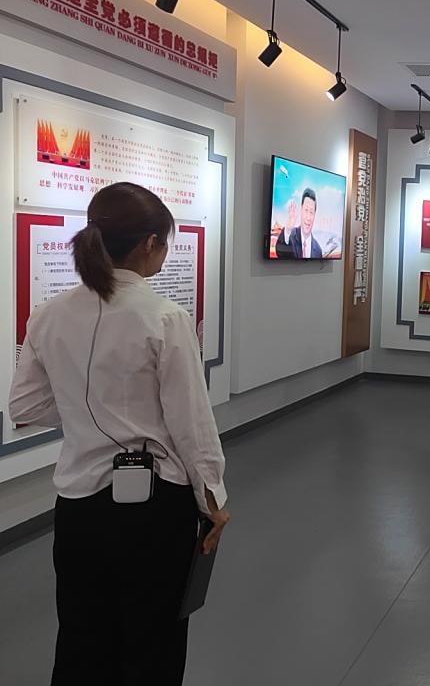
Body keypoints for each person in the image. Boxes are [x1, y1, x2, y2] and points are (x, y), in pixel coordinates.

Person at [8, 182, 229, 686]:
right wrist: (213, 500)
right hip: (155, 510)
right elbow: (191, 425)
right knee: (152, 645)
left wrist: (85, 410)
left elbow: (24, 405)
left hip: (77, 508)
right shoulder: (165, 318)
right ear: (150, 244)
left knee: (81, 639)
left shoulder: (47, 314)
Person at [276, 187, 323, 259]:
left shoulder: (318, 250)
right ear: (301, 209)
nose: (308, 217)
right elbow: (280, 252)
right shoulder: (290, 235)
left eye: (311, 212)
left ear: (315, 215)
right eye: (306, 210)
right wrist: (288, 229)